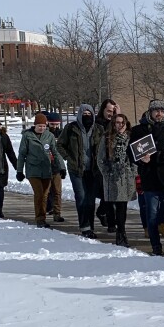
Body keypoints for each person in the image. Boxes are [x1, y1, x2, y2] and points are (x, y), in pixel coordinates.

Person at [129, 99, 164, 256]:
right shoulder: (140, 131)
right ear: (150, 112)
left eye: (162, 110)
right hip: (150, 178)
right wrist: (141, 159)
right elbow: (131, 153)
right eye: (156, 111)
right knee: (152, 214)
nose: (159, 113)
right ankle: (155, 245)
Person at [57, 104, 103, 238]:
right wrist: (68, 158)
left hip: (93, 170)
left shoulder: (98, 129)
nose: (87, 116)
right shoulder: (71, 128)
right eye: (84, 114)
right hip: (76, 169)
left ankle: (90, 225)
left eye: (89, 114)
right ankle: (85, 226)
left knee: (90, 199)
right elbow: (60, 144)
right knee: (81, 197)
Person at [16, 113, 67, 228]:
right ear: (35, 125)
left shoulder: (49, 136)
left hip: (46, 169)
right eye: (40, 126)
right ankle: (40, 218)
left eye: (44, 126)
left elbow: (55, 152)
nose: (42, 128)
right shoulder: (27, 136)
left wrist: (62, 167)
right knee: (39, 194)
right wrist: (19, 171)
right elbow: (22, 154)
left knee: (45, 194)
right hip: (33, 170)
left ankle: (52, 214)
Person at [97, 113, 137, 246]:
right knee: (111, 204)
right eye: (117, 123)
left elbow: (135, 156)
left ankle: (121, 233)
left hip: (126, 176)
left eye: (122, 123)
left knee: (122, 206)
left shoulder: (130, 138)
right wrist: (106, 173)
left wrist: (133, 171)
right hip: (112, 176)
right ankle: (115, 227)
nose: (120, 125)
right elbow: (100, 159)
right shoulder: (107, 138)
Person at [94, 99, 119, 231]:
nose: (111, 114)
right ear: (103, 110)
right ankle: (111, 223)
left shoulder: (117, 124)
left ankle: (105, 215)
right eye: (109, 111)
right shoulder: (97, 125)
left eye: (113, 111)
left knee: (111, 194)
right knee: (106, 194)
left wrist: (118, 116)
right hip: (100, 163)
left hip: (114, 164)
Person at [44, 112, 65, 222]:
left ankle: (57, 213)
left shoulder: (61, 134)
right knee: (46, 191)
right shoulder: (44, 134)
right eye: (52, 125)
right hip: (45, 166)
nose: (55, 127)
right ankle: (46, 209)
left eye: (57, 124)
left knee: (57, 191)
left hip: (56, 165)